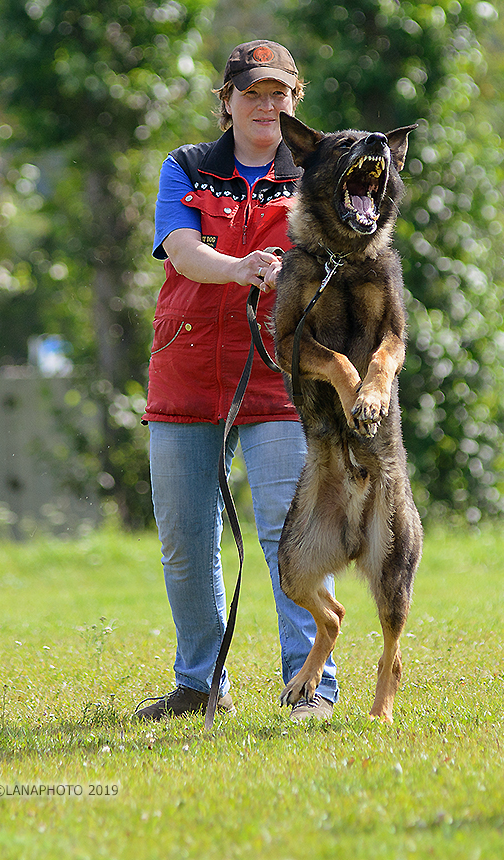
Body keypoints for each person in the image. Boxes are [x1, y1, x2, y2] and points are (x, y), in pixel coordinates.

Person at [136, 40, 339, 723]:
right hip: (188, 372)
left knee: (292, 531)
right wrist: (239, 266)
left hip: (281, 375)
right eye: (252, 92)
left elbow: (343, 252)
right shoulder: (186, 167)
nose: (266, 104)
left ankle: (310, 688)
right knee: (186, 538)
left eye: (279, 92)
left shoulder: (315, 173)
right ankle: (200, 685)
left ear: (294, 100)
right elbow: (183, 249)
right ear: (225, 101)